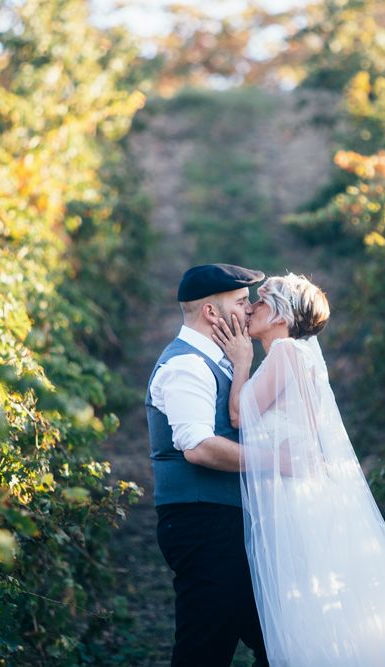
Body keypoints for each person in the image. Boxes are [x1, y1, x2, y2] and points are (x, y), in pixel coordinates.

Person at [211, 272, 385, 667]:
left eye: (260, 303)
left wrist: (241, 361)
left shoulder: (285, 354)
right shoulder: (300, 358)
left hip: (294, 500)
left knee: (303, 606)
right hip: (305, 493)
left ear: (281, 315)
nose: (251, 308)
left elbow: (238, 414)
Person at [146, 262, 269, 667]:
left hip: (223, 524)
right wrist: (274, 463)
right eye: (241, 301)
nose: (250, 309)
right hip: (202, 526)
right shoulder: (187, 365)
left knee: (274, 638)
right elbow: (197, 447)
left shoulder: (215, 361)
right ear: (211, 313)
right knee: (204, 649)